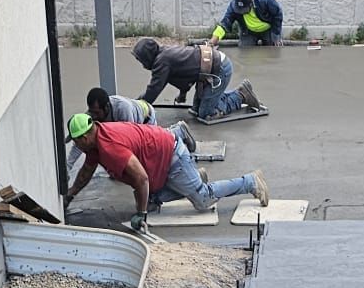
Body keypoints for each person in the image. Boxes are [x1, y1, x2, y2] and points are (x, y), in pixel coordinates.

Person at [63, 112, 267, 229]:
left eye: (75, 142)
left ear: (85, 138)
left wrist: (141, 214)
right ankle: (193, 180)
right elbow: (86, 171)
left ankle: (250, 181)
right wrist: (70, 195)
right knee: (152, 200)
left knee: (203, 199)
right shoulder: (96, 142)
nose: (76, 147)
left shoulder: (109, 147)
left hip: (172, 156)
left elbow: (141, 179)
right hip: (159, 162)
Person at [131, 37, 260, 122]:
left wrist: (136, 108)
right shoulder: (164, 55)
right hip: (210, 68)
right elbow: (183, 77)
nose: (141, 64)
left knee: (207, 114)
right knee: (196, 110)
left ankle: (241, 95)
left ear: (147, 56)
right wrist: (182, 94)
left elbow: (153, 89)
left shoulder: (162, 62)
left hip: (219, 69)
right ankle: (223, 96)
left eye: (140, 59)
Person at [212, 0, 284, 47]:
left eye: (244, 10)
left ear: (251, 4)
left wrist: (276, 36)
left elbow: (278, 14)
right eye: (239, 10)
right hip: (248, 32)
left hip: (268, 30)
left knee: (274, 51)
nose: (242, 12)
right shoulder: (234, 5)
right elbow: (226, 22)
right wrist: (213, 40)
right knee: (245, 53)